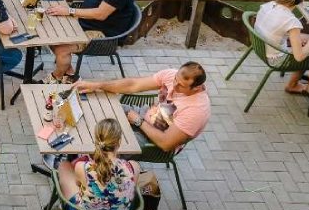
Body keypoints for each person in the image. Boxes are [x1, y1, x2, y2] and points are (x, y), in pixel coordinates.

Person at [75, 62, 211, 154]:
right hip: (144, 115)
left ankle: (83, 167)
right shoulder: (172, 75)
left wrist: (138, 122)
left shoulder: (196, 110)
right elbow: (133, 85)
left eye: (181, 86)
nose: (174, 86)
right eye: (175, 79)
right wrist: (97, 85)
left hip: (152, 140)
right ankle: (75, 149)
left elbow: (165, 143)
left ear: (197, 88)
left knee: (103, 146)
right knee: (97, 106)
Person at [54, 119, 139, 210]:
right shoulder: (133, 167)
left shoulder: (83, 167)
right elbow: (128, 191)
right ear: (119, 142)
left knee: (64, 166)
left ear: (96, 141)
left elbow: (78, 185)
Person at [253, 0, 309, 108]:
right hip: (275, 59)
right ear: (301, 2)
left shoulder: (268, 5)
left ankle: (305, 85)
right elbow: (299, 57)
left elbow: (277, 29)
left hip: (261, 47)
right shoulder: (291, 21)